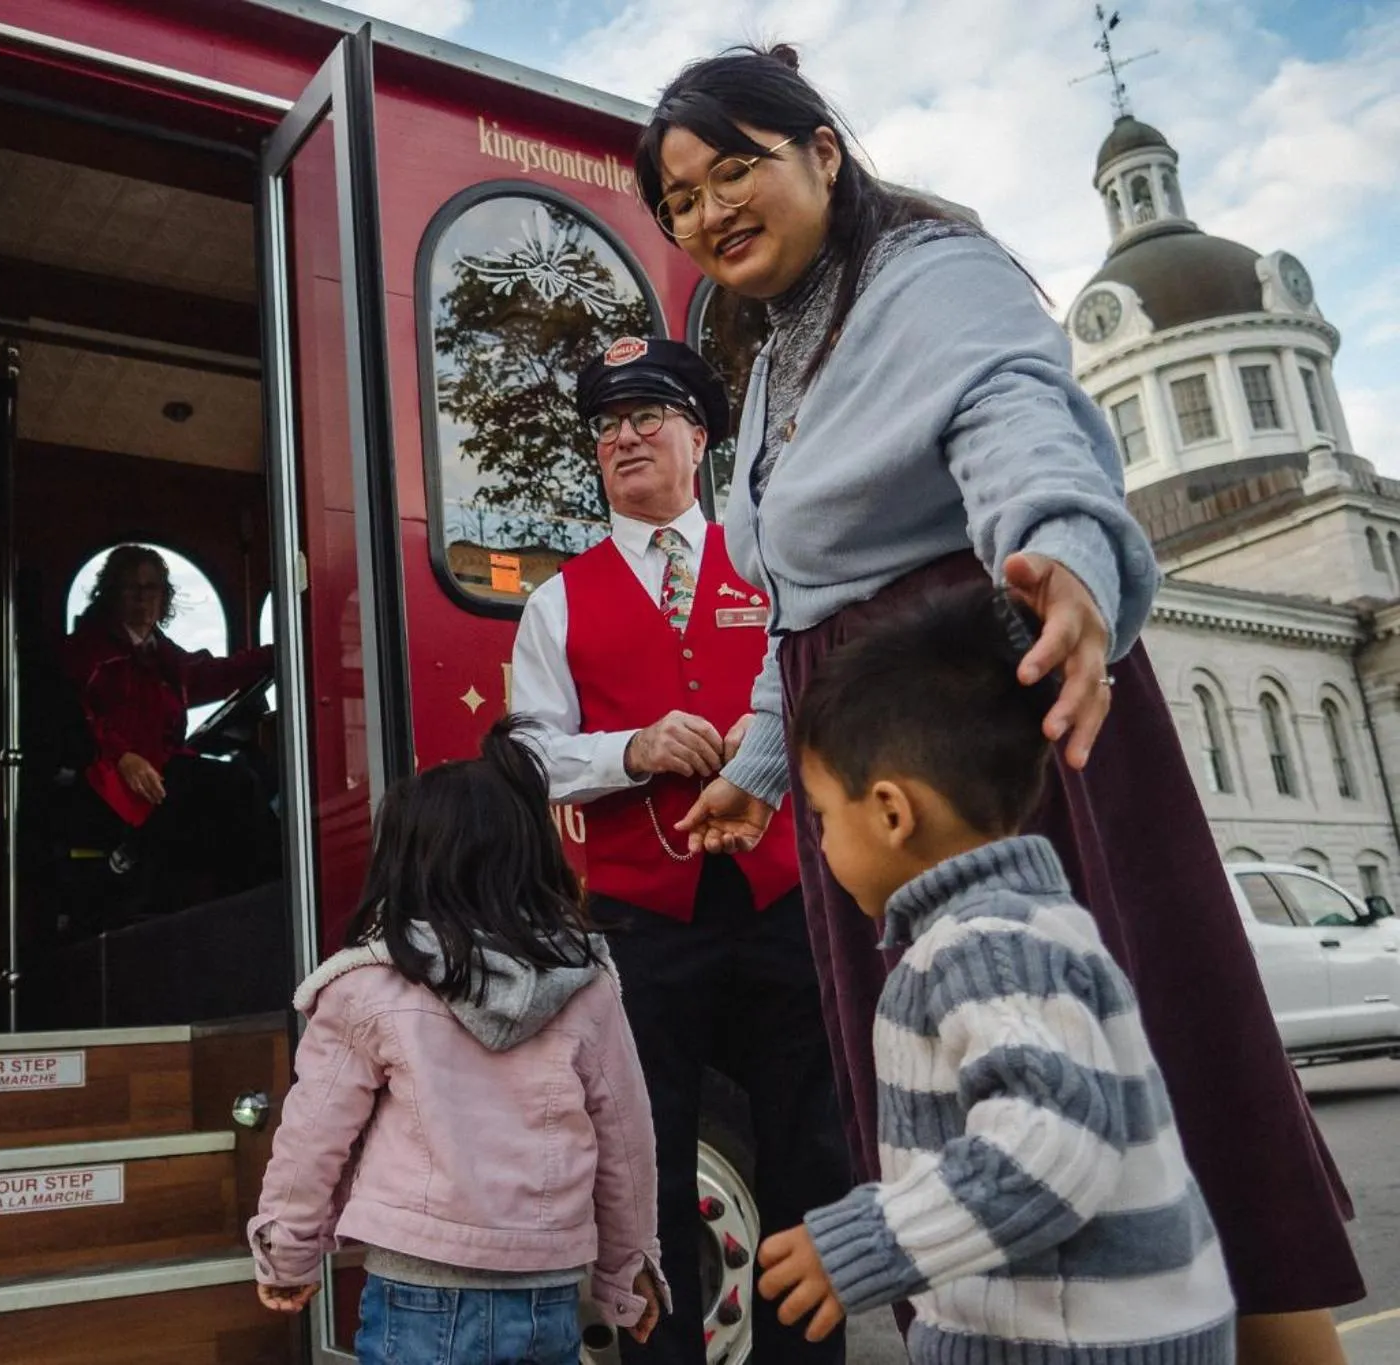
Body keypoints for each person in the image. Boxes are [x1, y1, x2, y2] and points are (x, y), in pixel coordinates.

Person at [639, 43, 1362, 1361]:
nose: (706, 211)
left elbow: (1017, 419)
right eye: (678, 198)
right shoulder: (765, 371)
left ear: (823, 152)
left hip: (1001, 731)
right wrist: (758, 766)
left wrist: (1073, 567)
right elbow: (795, 599)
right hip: (871, 759)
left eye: (732, 166)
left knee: (1166, 1104)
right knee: (956, 1102)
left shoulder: (930, 274)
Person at [761, 582, 1236, 1361]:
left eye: (820, 813)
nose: (817, 840)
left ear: (890, 811)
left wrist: (867, 1238)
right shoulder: (1030, 922)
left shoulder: (981, 946)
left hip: (1067, 1342)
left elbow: (1045, 1145)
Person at [509, 336, 850, 1364]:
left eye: (646, 417)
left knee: (809, 1152)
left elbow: (832, 687)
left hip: (783, 898)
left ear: (696, 438)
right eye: (607, 426)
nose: (622, 439)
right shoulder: (557, 600)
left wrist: (768, 741)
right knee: (646, 1168)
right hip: (640, 923)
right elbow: (526, 753)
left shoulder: (773, 563)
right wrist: (632, 748)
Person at [247, 718, 667, 1365]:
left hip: (419, 1287)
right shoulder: (584, 980)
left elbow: (315, 1132)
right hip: (547, 1290)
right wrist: (628, 1265)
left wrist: (288, 1248)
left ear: (406, 861)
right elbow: (626, 1138)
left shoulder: (374, 980)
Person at [61, 545, 275, 910]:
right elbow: (73, 716)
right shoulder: (87, 651)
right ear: (111, 594)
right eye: (131, 588)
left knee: (245, 782)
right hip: (112, 780)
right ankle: (265, 896)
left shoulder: (159, 652)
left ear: (164, 597)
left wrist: (279, 651)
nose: (143, 598)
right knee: (239, 786)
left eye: (152, 588)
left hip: (160, 771)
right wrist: (123, 757)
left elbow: (211, 674)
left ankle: (254, 896)